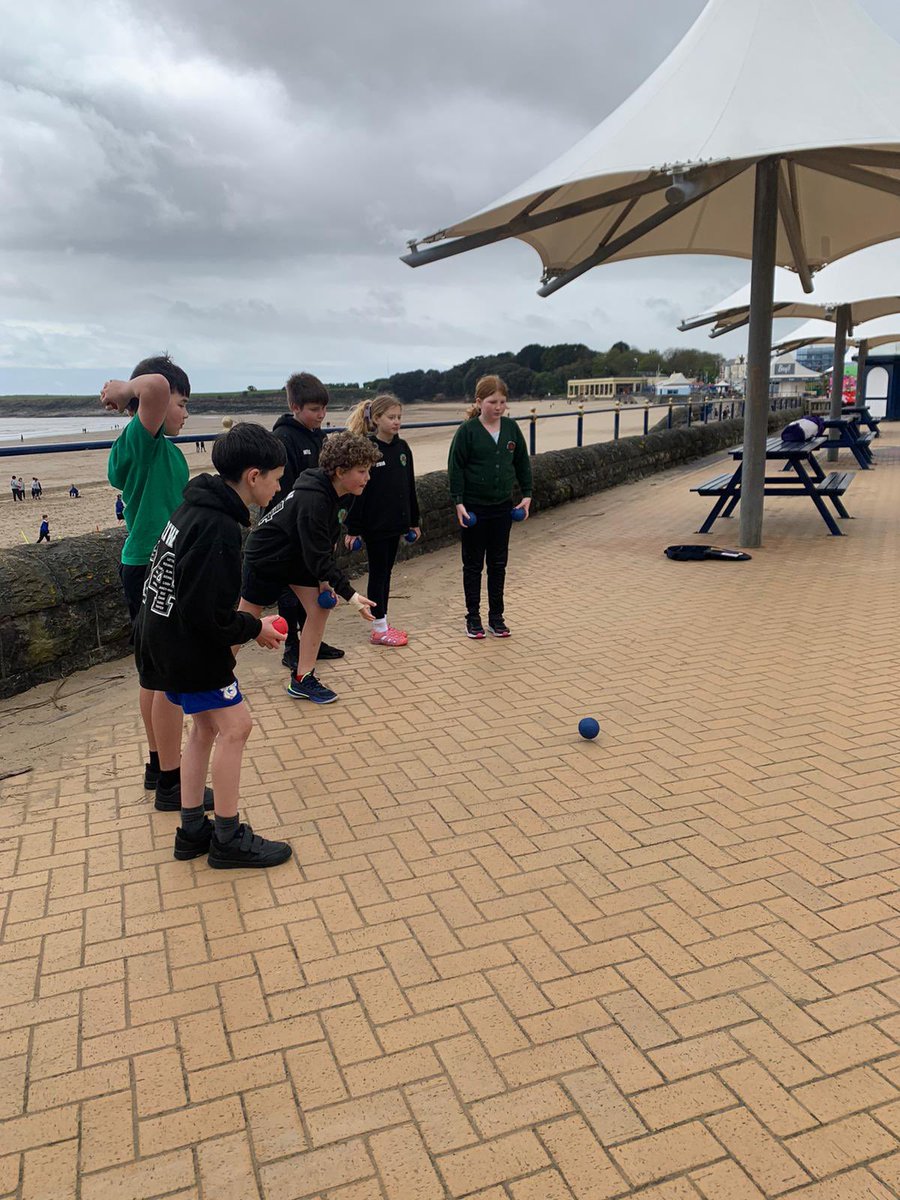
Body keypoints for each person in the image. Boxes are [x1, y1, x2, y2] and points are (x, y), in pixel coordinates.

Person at [135, 423, 292, 868]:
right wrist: (253, 627)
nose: (279, 486)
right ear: (253, 475)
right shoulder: (219, 526)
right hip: (188, 649)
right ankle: (226, 837)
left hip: (162, 640)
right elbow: (207, 613)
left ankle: (191, 830)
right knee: (236, 728)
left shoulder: (192, 507)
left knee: (204, 728)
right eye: (277, 478)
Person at [103, 354, 205, 811]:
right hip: (149, 567)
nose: (185, 413)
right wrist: (123, 390)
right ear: (155, 406)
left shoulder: (168, 450)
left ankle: (157, 765)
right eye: (182, 404)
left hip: (162, 564)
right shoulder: (139, 442)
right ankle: (170, 782)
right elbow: (158, 386)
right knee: (166, 676)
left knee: (153, 673)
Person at [240, 431, 378, 704]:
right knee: (243, 622)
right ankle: (215, 680)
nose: (367, 478)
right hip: (266, 556)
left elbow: (326, 540)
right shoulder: (313, 499)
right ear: (340, 471)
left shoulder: (343, 493)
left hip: (297, 555)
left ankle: (303, 679)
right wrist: (351, 595)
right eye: (362, 471)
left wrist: (325, 582)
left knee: (319, 607)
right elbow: (318, 557)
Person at [268, 372, 344, 672]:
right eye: (315, 409)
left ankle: (313, 642)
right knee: (290, 592)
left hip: (315, 524)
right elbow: (280, 492)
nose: (322, 415)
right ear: (295, 406)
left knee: (314, 586)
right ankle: (291, 646)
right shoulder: (282, 439)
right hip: (289, 527)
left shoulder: (320, 437)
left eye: (324, 409)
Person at [448, 374, 533, 639]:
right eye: (492, 401)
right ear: (479, 401)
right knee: (473, 565)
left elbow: (522, 462)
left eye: (503, 402)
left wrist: (527, 494)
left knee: (498, 564)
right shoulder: (468, 431)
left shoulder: (511, 429)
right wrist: (458, 501)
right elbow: (456, 467)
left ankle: (496, 617)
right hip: (474, 508)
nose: (498, 407)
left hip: (502, 508)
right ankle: (472, 618)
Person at [344, 393, 420, 647]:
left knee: (386, 574)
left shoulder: (403, 448)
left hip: (396, 524)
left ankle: (382, 621)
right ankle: (378, 629)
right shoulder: (367, 449)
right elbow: (358, 492)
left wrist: (414, 521)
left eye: (399, 417)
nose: (396, 421)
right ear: (376, 418)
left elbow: (409, 486)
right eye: (391, 417)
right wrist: (353, 528)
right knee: (378, 574)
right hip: (374, 525)